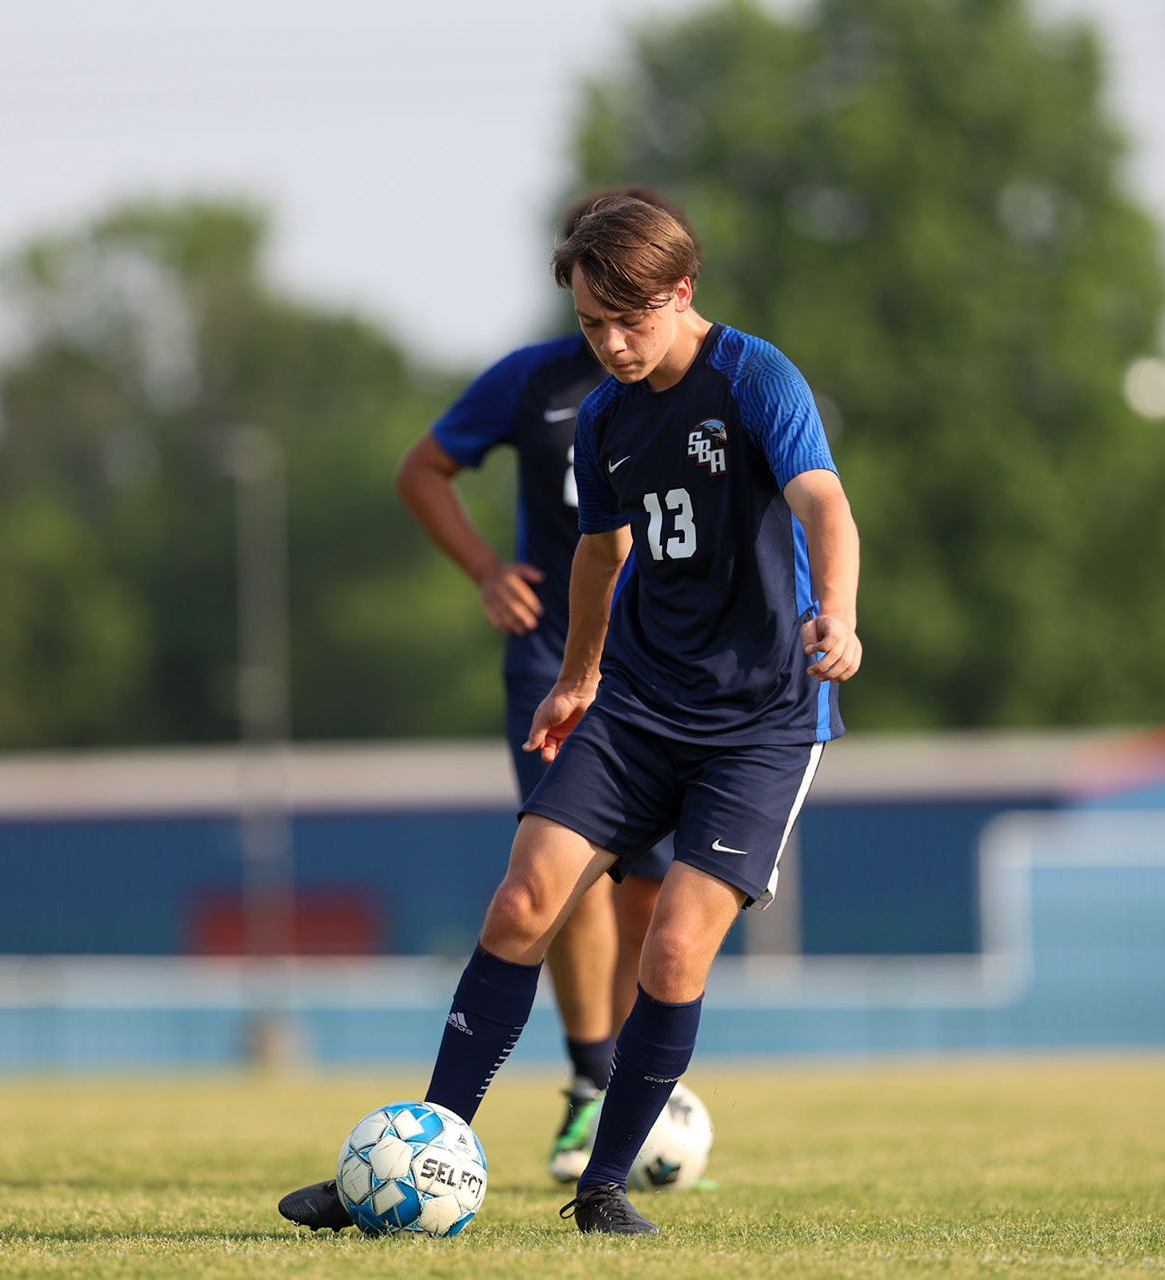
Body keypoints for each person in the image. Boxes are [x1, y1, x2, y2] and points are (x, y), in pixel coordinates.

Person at [282, 194, 860, 1235]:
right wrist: (577, 675)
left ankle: (602, 1185)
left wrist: (841, 615)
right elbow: (600, 553)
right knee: (521, 903)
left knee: (674, 948)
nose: (611, 343)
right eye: (593, 323)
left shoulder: (756, 377)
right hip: (636, 700)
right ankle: (423, 1149)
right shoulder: (603, 415)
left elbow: (826, 502)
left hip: (761, 719)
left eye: (629, 320)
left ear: (682, 293)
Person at [391, 188, 686, 1183]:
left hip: (670, 671)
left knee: (652, 894)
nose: (607, 323)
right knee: (565, 874)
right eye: (590, 302)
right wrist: (485, 567)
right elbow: (424, 468)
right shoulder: (533, 382)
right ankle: (590, 1083)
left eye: (624, 301)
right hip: (556, 665)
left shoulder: (698, 384)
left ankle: (639, 1081)